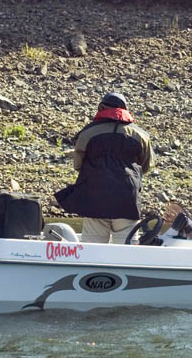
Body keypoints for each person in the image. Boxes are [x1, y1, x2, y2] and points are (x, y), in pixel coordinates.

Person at [55, 92, 153, 244]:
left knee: (92, 251)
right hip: (127, 200)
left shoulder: (87, 133)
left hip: (94, 199)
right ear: (126, 110)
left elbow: (77, 165)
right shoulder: (141, 136)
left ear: (101, 108)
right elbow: (146, 167)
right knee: (127, 252)